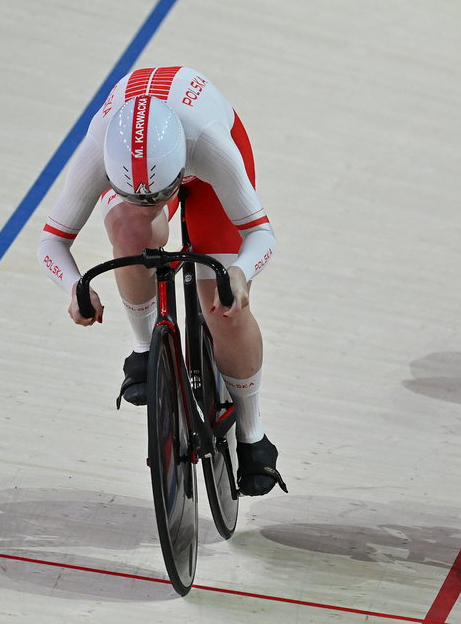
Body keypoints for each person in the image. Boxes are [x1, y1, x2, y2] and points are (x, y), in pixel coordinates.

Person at [37, 66, 286, 496]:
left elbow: (260, 234)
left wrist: (241, 275)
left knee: (223, 306)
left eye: (159, 196)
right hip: (146, 165)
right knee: (132, 235)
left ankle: (252, 432)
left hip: (204, 167)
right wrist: (76, 287)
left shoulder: (210, 144)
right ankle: (143, 348)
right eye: (138, 197)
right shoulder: (100, 146)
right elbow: (52, 243)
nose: (153, 206)